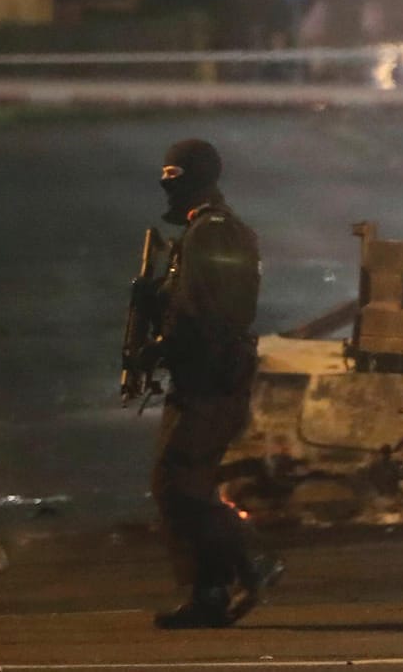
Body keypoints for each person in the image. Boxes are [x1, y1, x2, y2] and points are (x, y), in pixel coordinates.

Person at [145, 138, 282, 628]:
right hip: (202, 375)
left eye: (175, 178)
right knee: (181, 482)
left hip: (211, 376)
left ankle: (247, 564)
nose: (167, 189)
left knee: (179, 482)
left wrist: (172, 339)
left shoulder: (215, 231)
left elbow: (220, 311)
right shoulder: (203, 230)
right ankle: (213, 589)